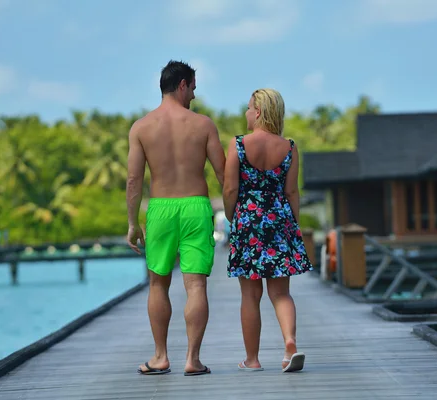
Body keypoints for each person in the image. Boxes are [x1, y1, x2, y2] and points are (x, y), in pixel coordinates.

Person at [126, 60, 226, 376]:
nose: (194, 95)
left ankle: (160, 356)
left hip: (161, 209)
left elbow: (133, 180)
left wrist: (132, 223)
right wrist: (236, 216)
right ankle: (192, 360)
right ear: (182, 84)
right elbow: (224, 175)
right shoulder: (204, 125)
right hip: (196, 206)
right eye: (193, 88)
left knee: (158, 283)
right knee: (196, 285)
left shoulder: (141, 127)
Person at [222, 88, 314, 373]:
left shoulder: (238, 144)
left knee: (250, 296)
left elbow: (230, 188)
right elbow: (291, 191)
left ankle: (252, 359)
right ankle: (289, 343)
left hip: (248, 221)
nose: (247, 113)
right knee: (281, 293)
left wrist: (233, 217)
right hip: (279, 221)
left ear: (259, 111)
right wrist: (293, 226)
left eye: (249, 108)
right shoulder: (289, 147)